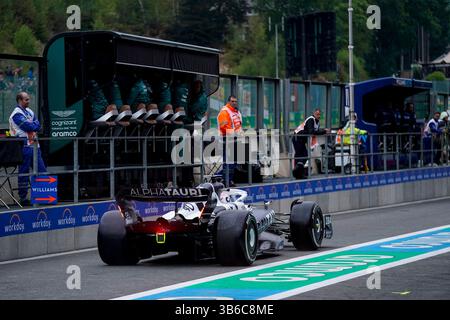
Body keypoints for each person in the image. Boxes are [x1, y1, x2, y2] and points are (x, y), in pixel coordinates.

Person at [9, 92, 47, 206]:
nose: (28, 101)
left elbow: (38, 125)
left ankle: (43, 197)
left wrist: (34, 125)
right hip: (24, 147)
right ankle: (23, 198)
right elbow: (29, 126)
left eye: (29, 99)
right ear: (20, 100)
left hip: (35, 146)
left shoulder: (30, 111)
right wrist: (33, 125)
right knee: (24, 173)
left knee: (42, 171)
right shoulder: (16, 114)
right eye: (26, 99)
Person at [292, 109, 330, 179]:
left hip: (302, 139)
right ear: (314, 114)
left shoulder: (317, 122)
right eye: (317, 114)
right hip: (298, 137)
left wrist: (324, 131)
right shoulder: (311, 119)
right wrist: (323, 131)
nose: (318, 116)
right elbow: (311, 132)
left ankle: (298, 172)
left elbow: (315, 131)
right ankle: (297, 172)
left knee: (304, 155)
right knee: (301, 154)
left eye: (319, 114)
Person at [217, 95, 242, 187]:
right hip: (227, 139)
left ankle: (229, 179)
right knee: (228, 161)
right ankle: (226, 180)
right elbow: (224, 127)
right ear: (228, 102)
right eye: (232, 101)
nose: (234, 103)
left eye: (235, 101)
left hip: (235, 139)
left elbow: (238, 125)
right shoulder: (225, 112)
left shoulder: (236, 112)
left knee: (233, 161)